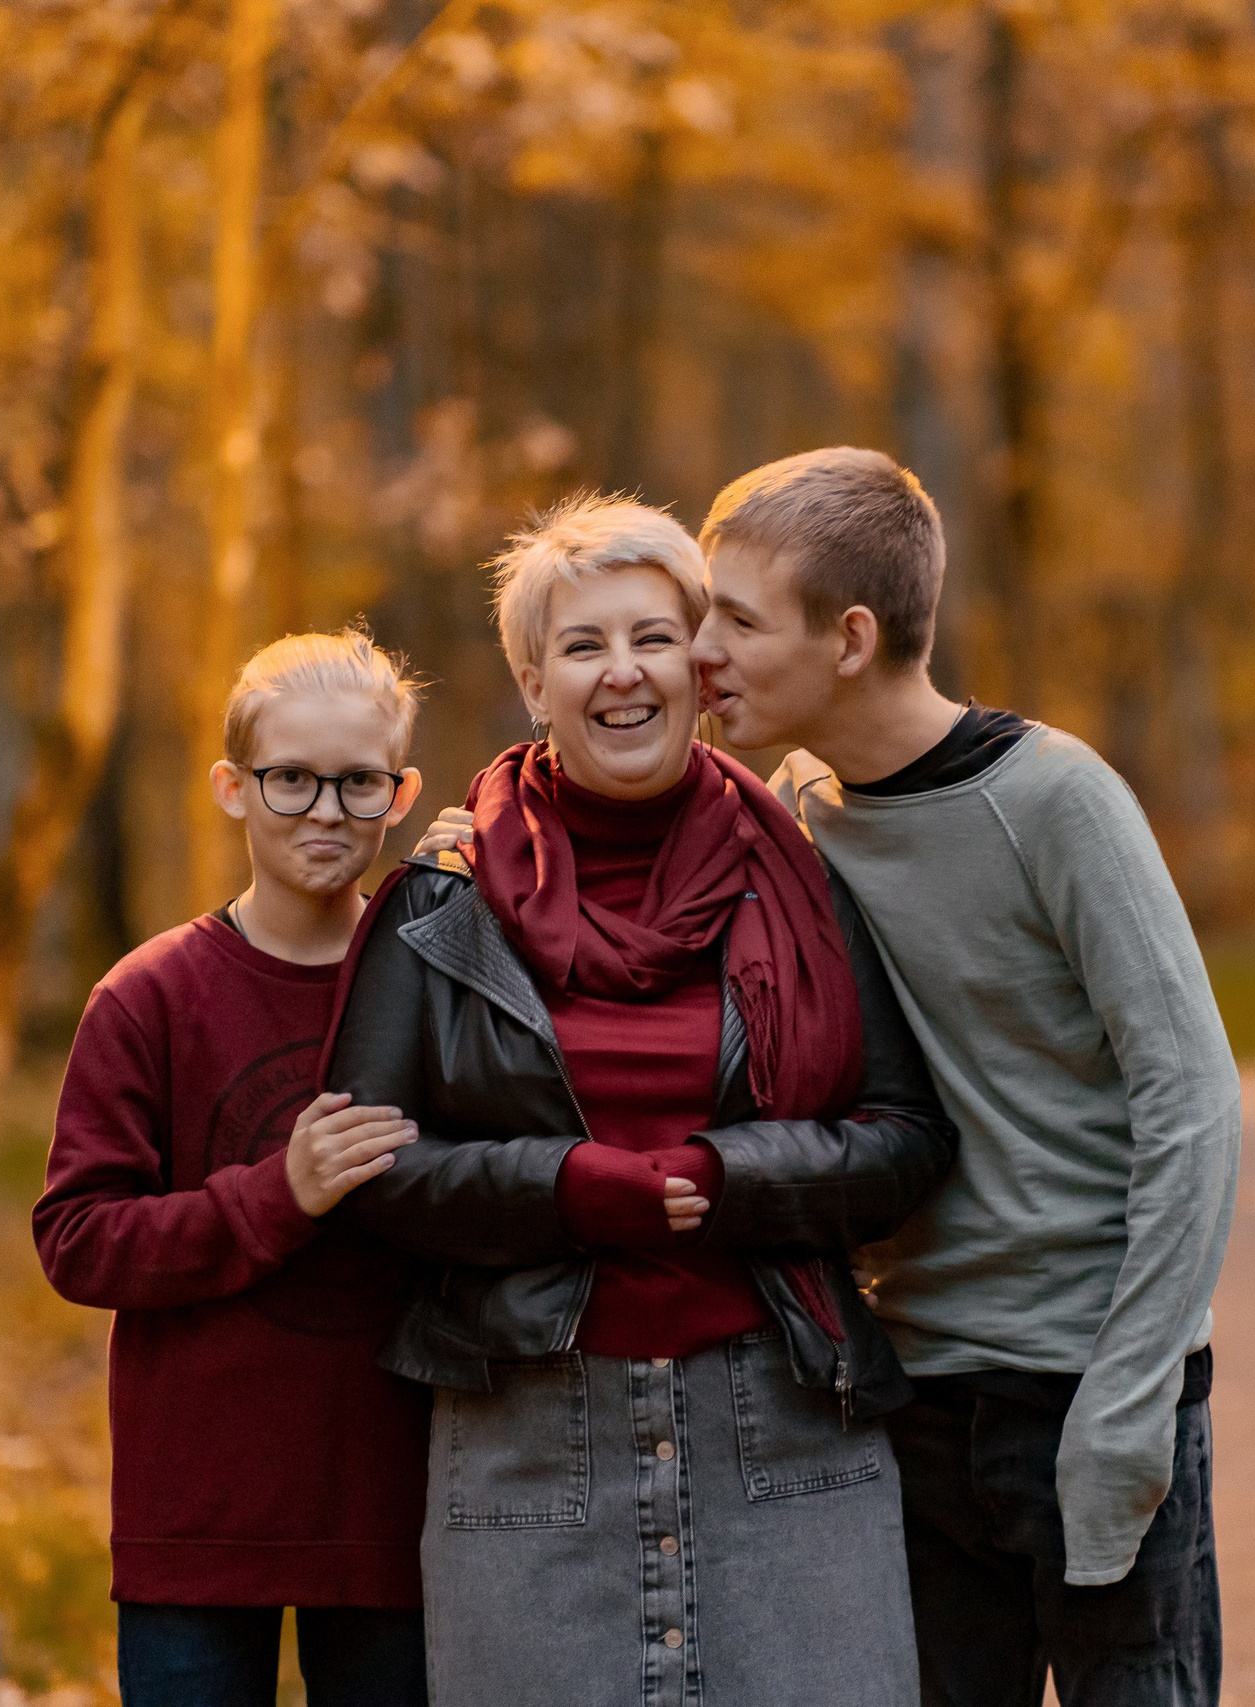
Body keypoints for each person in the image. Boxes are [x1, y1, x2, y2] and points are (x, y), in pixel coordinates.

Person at [423, 448, 1240, 1706]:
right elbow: (608, 795)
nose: (700, 658)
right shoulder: (806, 812)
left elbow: (1193, 1107)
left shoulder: (1057, 802)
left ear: (849, 638)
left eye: (732, 625)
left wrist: (1131, 1402)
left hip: (1087, 1382)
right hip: (920, 1387)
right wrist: (471, 838)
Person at [321, 493, 958, 1707]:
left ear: (701, 663)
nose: (623, 674)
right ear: (531, 682)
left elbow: (906, 1136)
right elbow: (372, 1167)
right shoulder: (440, 901)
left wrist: (728, 1180)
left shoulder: (810, 875)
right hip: (526, 1449)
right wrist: (565, 1190)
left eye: (654, 638)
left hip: (786, 1426)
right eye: (582, 645)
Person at [34, 628, 436, 1707]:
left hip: (391, 1513)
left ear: (398, 795)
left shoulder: (438, 979)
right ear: (231, 786)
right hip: (197, 1521)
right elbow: (76, 1241)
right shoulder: (148, 996)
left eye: (357, 783)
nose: (322, 811)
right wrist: (279, 1195)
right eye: (290, 778)